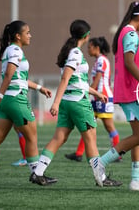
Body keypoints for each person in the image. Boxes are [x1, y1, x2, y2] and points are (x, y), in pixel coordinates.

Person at [30, 20, 121, 187]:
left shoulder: (69, 52)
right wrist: (55, 103)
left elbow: (76, 81)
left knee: (59, 138)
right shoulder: (76, 54)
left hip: (68, 102)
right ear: (86, 36)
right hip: (78, 103)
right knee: (90, 140)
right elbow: (65, 78)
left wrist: (96, 93)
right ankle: (100, 178)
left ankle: (38, 173)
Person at [0, 20, 52, 184]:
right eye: (27, 33)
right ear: (18, 36)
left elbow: (17, 78)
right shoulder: (15, 51)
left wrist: (39, 88)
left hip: (7, 100)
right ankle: (37, 174)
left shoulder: (11, 50)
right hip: (16, 99)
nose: (30, 35)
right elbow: (9, 76)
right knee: (32, 138)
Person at [98, 1, 139, 191]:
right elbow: (130, 63)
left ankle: (135, 181)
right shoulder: (131, 34)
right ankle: (101, 162)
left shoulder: (126, 33)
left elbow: (130, 64)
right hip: (132, 92)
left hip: (132, 91)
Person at [65, 37, 120, 162]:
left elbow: (98, 79)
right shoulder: (98, 60)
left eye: (90, 47)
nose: (88, 49)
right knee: (87, 125)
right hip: (97, 97)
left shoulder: (101, 60)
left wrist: (89, 91)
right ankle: (79, 153)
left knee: (109, 126)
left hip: (102, 97)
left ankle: (117, 153)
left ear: (97, 48)